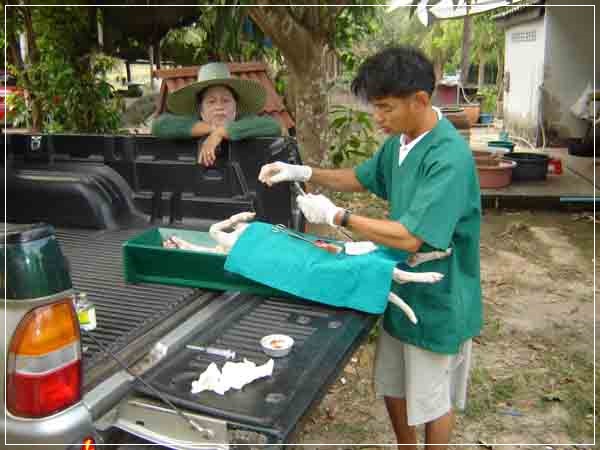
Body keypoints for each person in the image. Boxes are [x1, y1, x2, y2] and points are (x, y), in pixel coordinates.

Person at [258, 46, 482, 449]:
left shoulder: (448, 156)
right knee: (393, 381)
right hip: (399, 280)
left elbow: (411, 237)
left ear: (420, 101)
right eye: (374, 107)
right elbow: (360, 177)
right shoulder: (401, 142)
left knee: (432, 398)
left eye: (385, 108)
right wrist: (303, 171)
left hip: (441, 291)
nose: (377, 117)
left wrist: (338, 217)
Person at [152, 62, 282, 166]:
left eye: (225, 100)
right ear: (201, 110)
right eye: (211, 101)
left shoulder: (244, 121)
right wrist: (213, 129)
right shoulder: (194, 122)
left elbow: (273, 126)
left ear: (235, 107)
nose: (219, 107)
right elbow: (159, 125)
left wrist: (222, 132)